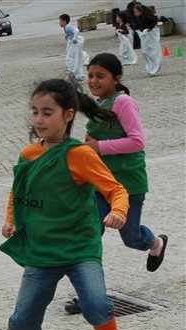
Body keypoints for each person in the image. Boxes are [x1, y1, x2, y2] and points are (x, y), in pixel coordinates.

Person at [0, 78, 135, 330]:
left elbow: (116, 190)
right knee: (22, 318)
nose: (39, 120)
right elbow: (18, 189)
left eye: (48, 112)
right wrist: (11, 217)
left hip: (79, 249)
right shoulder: (29, 155)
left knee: (97, 304)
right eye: (35, 112)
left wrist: (118, 211)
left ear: (68, 115)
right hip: (42, 253)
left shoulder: (80, 155)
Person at [64, 53, 167, 315]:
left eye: (100, 76)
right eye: (90, 75)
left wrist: (99, 146)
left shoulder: (123, 103)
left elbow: (137, 141)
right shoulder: (99, 105)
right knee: (89, 236)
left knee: (131, 238)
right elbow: (93, 141)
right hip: (100, 186)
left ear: (116, 78)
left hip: (129, 184)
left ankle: (156, 243)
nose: (94, 81)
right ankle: (89, 295)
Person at [134, 5, 162, 76]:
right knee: (145, 52)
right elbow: (138, 25)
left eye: (136, 12)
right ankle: (151, 65)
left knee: (151, 50)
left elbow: (154, 21)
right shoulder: (138, 18)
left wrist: (149, 28)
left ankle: (155, 65)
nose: (135, 14)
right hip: (144, 36)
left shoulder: (146, 17)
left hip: (149, 35)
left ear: (140, 11)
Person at [59, 14, 86, 82]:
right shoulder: (66, 27)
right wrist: (67, 35)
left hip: (74, 45)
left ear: (64, 21)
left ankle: (74, 73)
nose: (59, 23)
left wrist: (74, 39)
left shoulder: (67, 27)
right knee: (72, 58)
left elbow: (76, 31)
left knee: (71, 58)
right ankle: (74, 73)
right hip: (72, 44)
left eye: (60, 21)